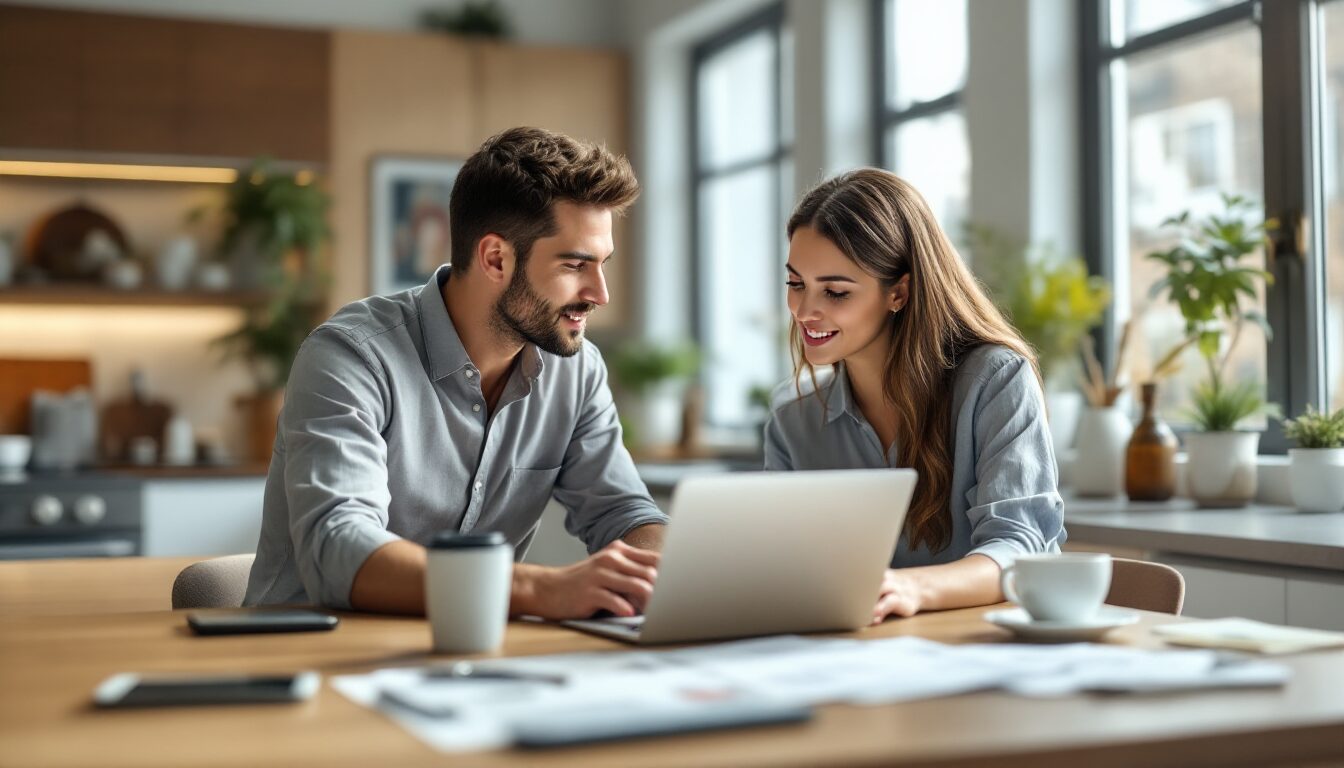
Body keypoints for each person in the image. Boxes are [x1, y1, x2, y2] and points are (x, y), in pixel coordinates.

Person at [245, 127, 667, 618]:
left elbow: (624, 513)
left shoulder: (577, 371)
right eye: (576, 264)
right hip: (311, 656)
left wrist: (657, 574)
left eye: (603, 264)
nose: (600, 293)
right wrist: (542, 589)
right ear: (495, 258)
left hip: (471, 660)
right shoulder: (351, 357)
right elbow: (339, 548)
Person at [764, 168, 1065, 623]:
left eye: (836, 291)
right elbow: (782, 570)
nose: (805, 311)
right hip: (859, 663)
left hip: (982, 653)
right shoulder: (792, 422)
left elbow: (1019, 546)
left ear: (898, 292)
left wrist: (910, 588)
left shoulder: (995, 380)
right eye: (795, 283)